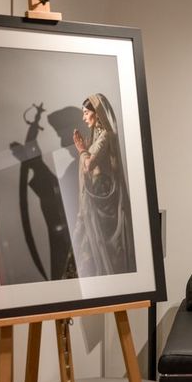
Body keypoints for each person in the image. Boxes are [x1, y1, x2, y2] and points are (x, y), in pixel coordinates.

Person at [71, 93, 136, 276]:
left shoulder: (106, 136)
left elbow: (89, 164)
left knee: (105, 245)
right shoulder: (97, 136)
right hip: (97, 194)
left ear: (97, 113)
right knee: (85, 240)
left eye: (86, 113)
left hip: (103, 197)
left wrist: (82, 149)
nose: (84, 118)